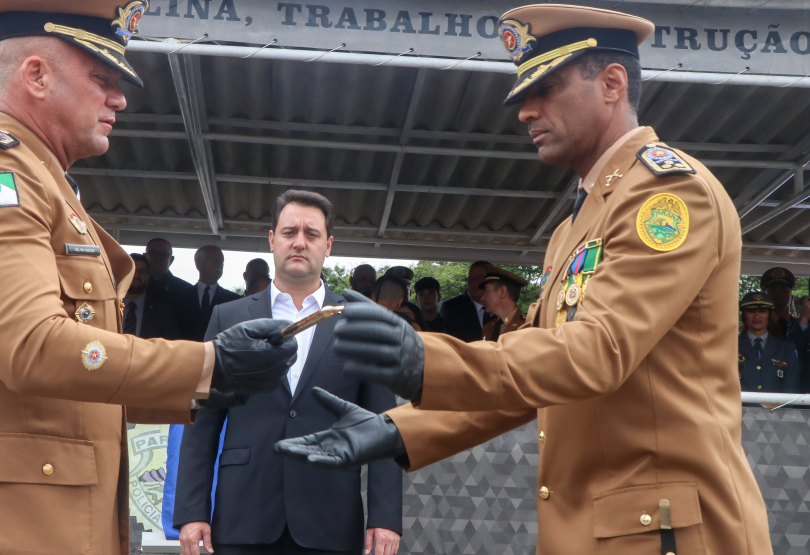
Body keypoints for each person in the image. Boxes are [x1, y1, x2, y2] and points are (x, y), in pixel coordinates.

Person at [276, 5, 773, 554]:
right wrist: (401, 429)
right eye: (521, 98)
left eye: (548, 88)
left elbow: (596, 352)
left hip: (666, 535)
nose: (524, 113)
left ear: (612, 84)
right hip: (604, 532)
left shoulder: (668, 194)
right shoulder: (574, 227)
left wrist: (426, 361)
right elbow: (537, 365)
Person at [0, 2, 298, 553]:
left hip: (35, 520)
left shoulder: (47, 187)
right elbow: (34, 348)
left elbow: (86, 380)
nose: (120, 98)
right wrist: (208, 363)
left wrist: (211, 387)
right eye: (101, 78)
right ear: (35, 75)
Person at [174, 190, 402, 555]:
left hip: (330, 516)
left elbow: (384, 426)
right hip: (242, 514)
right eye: (289, 232)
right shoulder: (228, 317)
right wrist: (191, 511)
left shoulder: (362, 321)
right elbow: (204, 421)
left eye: (311, 234)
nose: (299, 242)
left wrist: (385, 516)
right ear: (271, 239)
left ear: (328, 245)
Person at [738, 291, 800, 393]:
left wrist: (776, 406)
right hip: (740, 408)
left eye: (762, 311)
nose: (757, 316)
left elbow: (791, 386)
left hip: (777, 408)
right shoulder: (732, 346)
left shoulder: (786, 348)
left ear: (770, 314)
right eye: (751, 311)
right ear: (743, 314)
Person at [185, 245, 241, 341]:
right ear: (199, 262)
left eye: (221, 261)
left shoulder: (234, 301)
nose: (219, 265)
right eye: (215, 260)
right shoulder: (179, 297)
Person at [123, 253, 181, 340]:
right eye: (132, 270)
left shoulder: (164, 313)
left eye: (141, 271)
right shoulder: (108, 307)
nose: (136, 275)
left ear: (148, 275)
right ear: (123, 273)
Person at [439, 260, 490, 342]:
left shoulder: (501, 312)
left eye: (480, 278)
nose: (474, 282)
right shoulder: (454, 314)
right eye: (471, 279)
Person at [479, 265, 527, 341]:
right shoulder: (488, 326)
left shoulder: (527, 326)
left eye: (487, 291)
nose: (482, 298)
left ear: (502, 292)